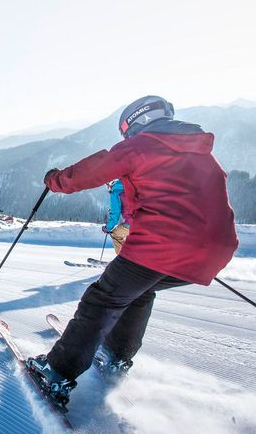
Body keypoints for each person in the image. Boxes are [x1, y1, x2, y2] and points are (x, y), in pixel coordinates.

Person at [26, 96, 238, 407]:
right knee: (139, 291)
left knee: (103, 298)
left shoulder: (141, 146)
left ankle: (56, 371)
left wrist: (54, 180)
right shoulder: (203, 153)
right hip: (214, 250)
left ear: (134, 124)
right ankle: (115, 356)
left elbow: (90, 171)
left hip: (162, 245)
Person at [104, 179, 130, 254]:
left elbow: (115, 215)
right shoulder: (132, 186)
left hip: (133, 223)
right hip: (147, 220)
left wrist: (107, 228)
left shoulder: (115, 192)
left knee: (115, 234)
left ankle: (123, 262)